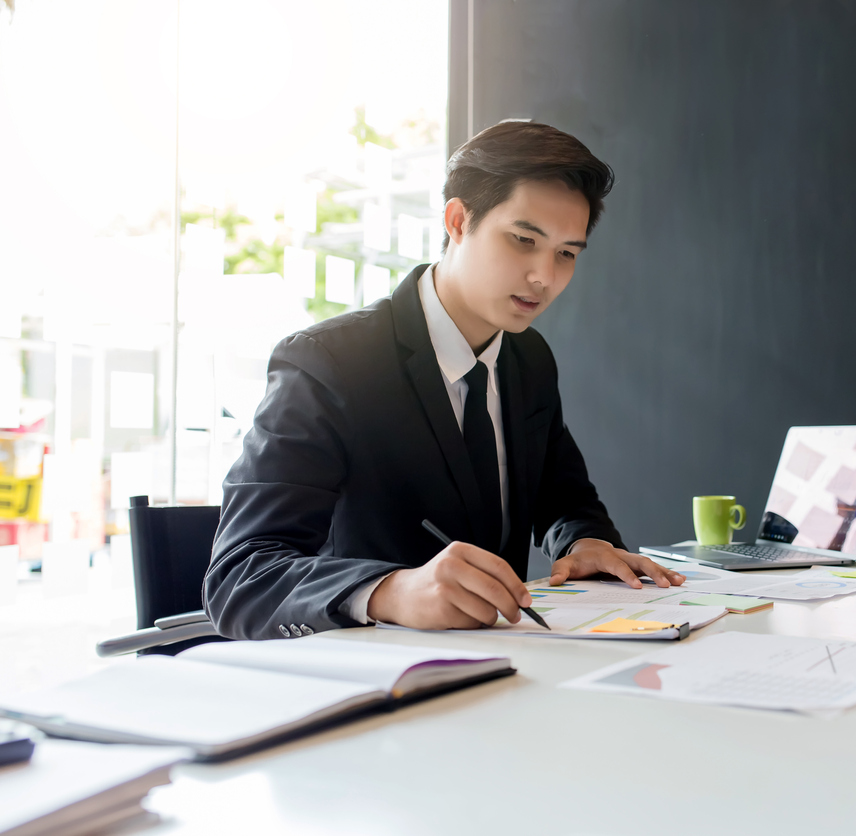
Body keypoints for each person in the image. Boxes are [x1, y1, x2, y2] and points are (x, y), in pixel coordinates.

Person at [205, 122, 684, 640]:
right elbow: (241, 576)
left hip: (508, 666)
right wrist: (392, 590)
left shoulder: (528, 358)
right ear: (458, 220)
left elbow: (561, 495)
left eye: (567, 253)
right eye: (524, 240)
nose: (544, 276)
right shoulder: (330, 363)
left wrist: (584, 542)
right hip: (369, 681)